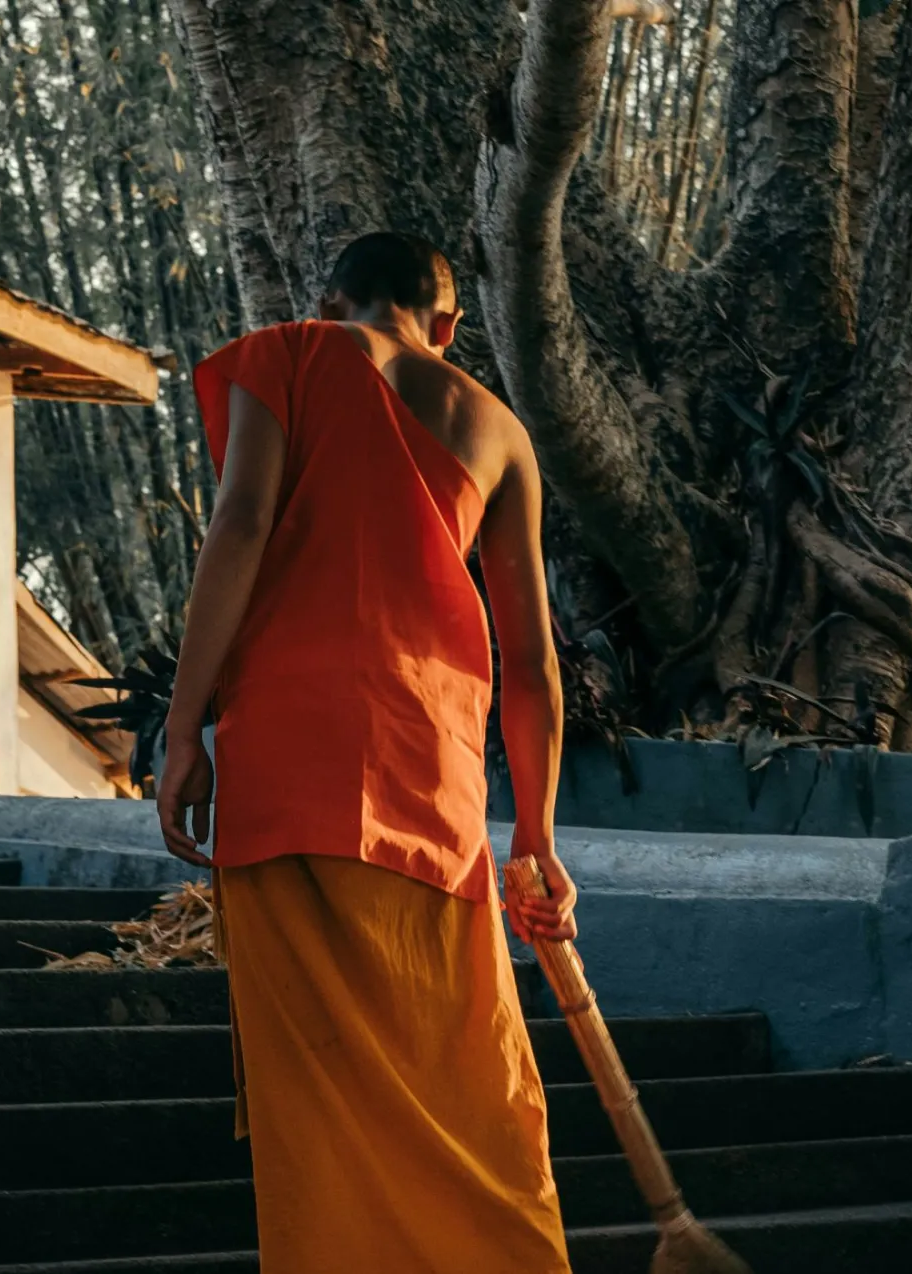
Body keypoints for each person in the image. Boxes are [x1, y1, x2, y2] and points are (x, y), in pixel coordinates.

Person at [155, 230, 578, 1272]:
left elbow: (241, 522)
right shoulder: (498, 428)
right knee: (471, 1092)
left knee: (322, 1107)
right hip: (430, 780)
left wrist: (178, 729)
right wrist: (535, 835)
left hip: (288, 763)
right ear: (447, 325)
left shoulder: (292, 355)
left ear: (332, 300)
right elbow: (529, 664)